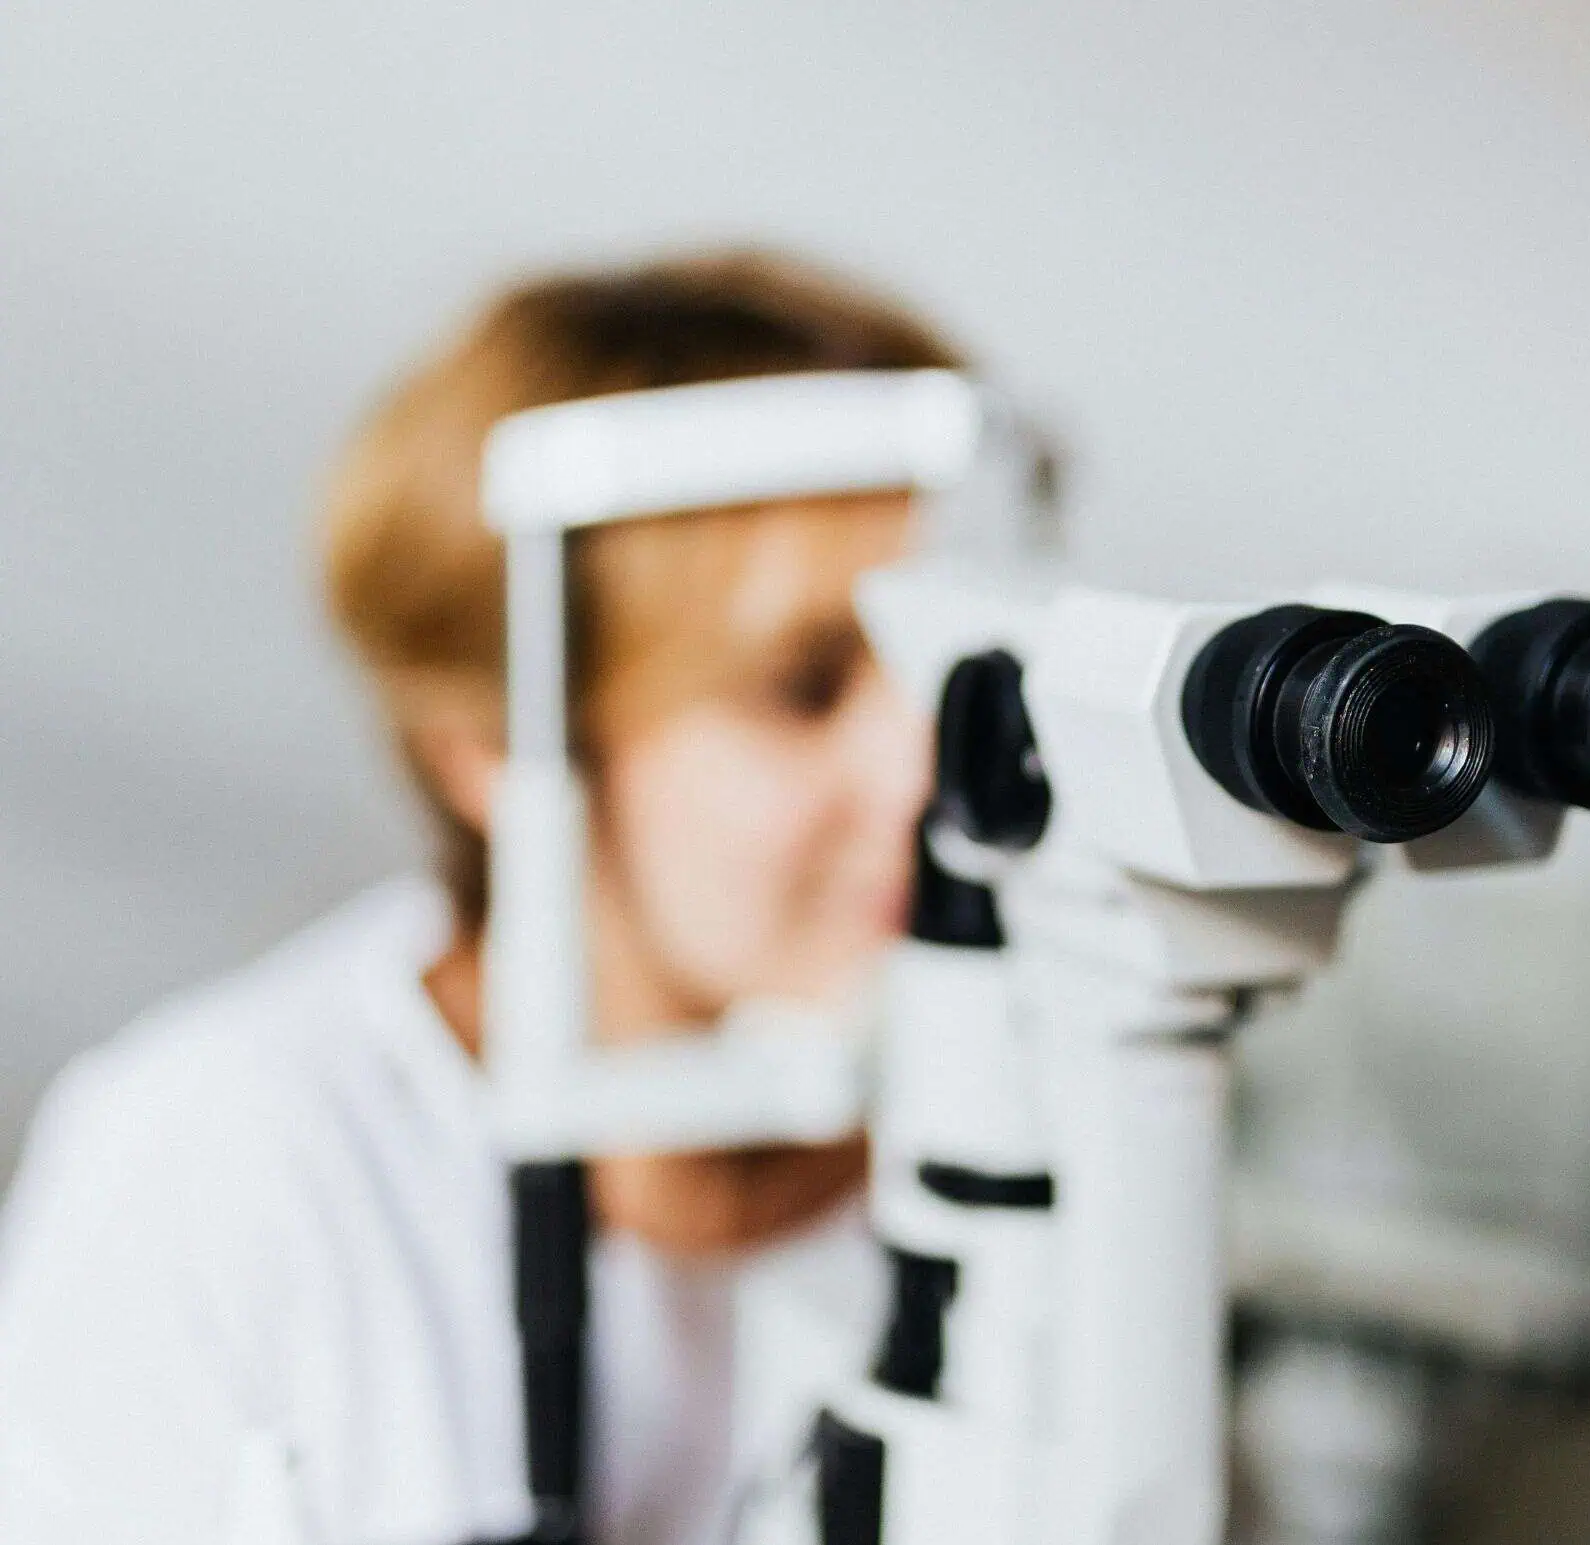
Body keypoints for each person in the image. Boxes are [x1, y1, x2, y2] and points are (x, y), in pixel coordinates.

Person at [0, 250, 961, 1544]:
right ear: (501, 746)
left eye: (948, 669)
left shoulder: (1058, 1145)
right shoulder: (226, 1179)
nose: (923, 771)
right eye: (803, 688)